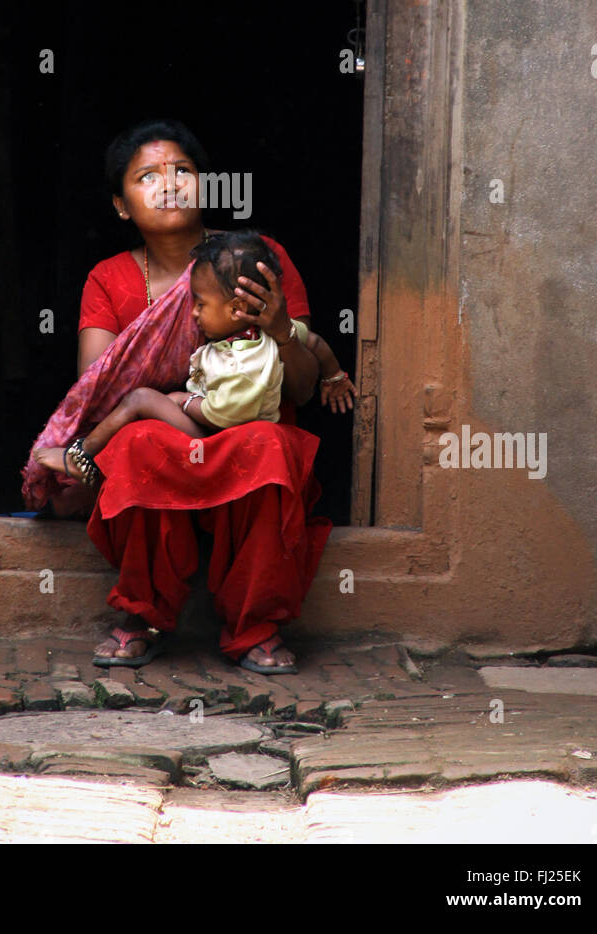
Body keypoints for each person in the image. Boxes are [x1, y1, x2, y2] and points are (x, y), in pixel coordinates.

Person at [21, 119, 357, 674]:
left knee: (272, 447)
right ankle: (143, 614)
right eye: (147, 176)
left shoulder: (258, 258)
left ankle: (256, 625)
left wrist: (277, 330)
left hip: (246, 436)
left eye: (183, 171)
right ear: (122, 206)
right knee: (136, 443)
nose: (169, 183)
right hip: (169, 437)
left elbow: (301, 387)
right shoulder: (109, 279)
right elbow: (99, 391)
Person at [39, 230, 353, 480]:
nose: (192, 314)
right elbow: (317, 344)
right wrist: (334, 376)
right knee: (156, 409)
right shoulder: (269, 335)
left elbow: (306, 369)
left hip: (215, 430)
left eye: (200, 303)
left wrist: (186, 402)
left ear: (235, 309)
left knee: (139, 400)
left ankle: (80, 457)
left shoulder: (278, 332)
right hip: (233, 434)